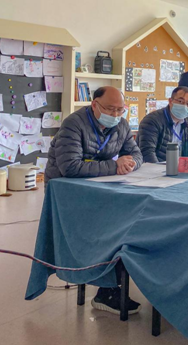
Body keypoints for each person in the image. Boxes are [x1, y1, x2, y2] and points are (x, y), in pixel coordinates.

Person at [44, 86, 143, 315]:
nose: (115, 114)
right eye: (110, 109)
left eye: (120, 110)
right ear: (94, 104)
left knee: (126, 221)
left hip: (100, 187)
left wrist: (129, 164)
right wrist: (114, 166)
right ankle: (106, 288)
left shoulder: (121, 125)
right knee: (109, 228)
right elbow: (70, 167)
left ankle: (114, 282)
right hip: (67, 192)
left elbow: (137, 154)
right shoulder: (73, 124)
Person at [137, 86, 188, 162]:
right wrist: (158, 168)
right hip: (156, 166)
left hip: (178, 166)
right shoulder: (152, 120)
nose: (184, 106)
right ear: (170, 101)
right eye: (180, 101)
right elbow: (147, 153)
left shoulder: (186, 121)